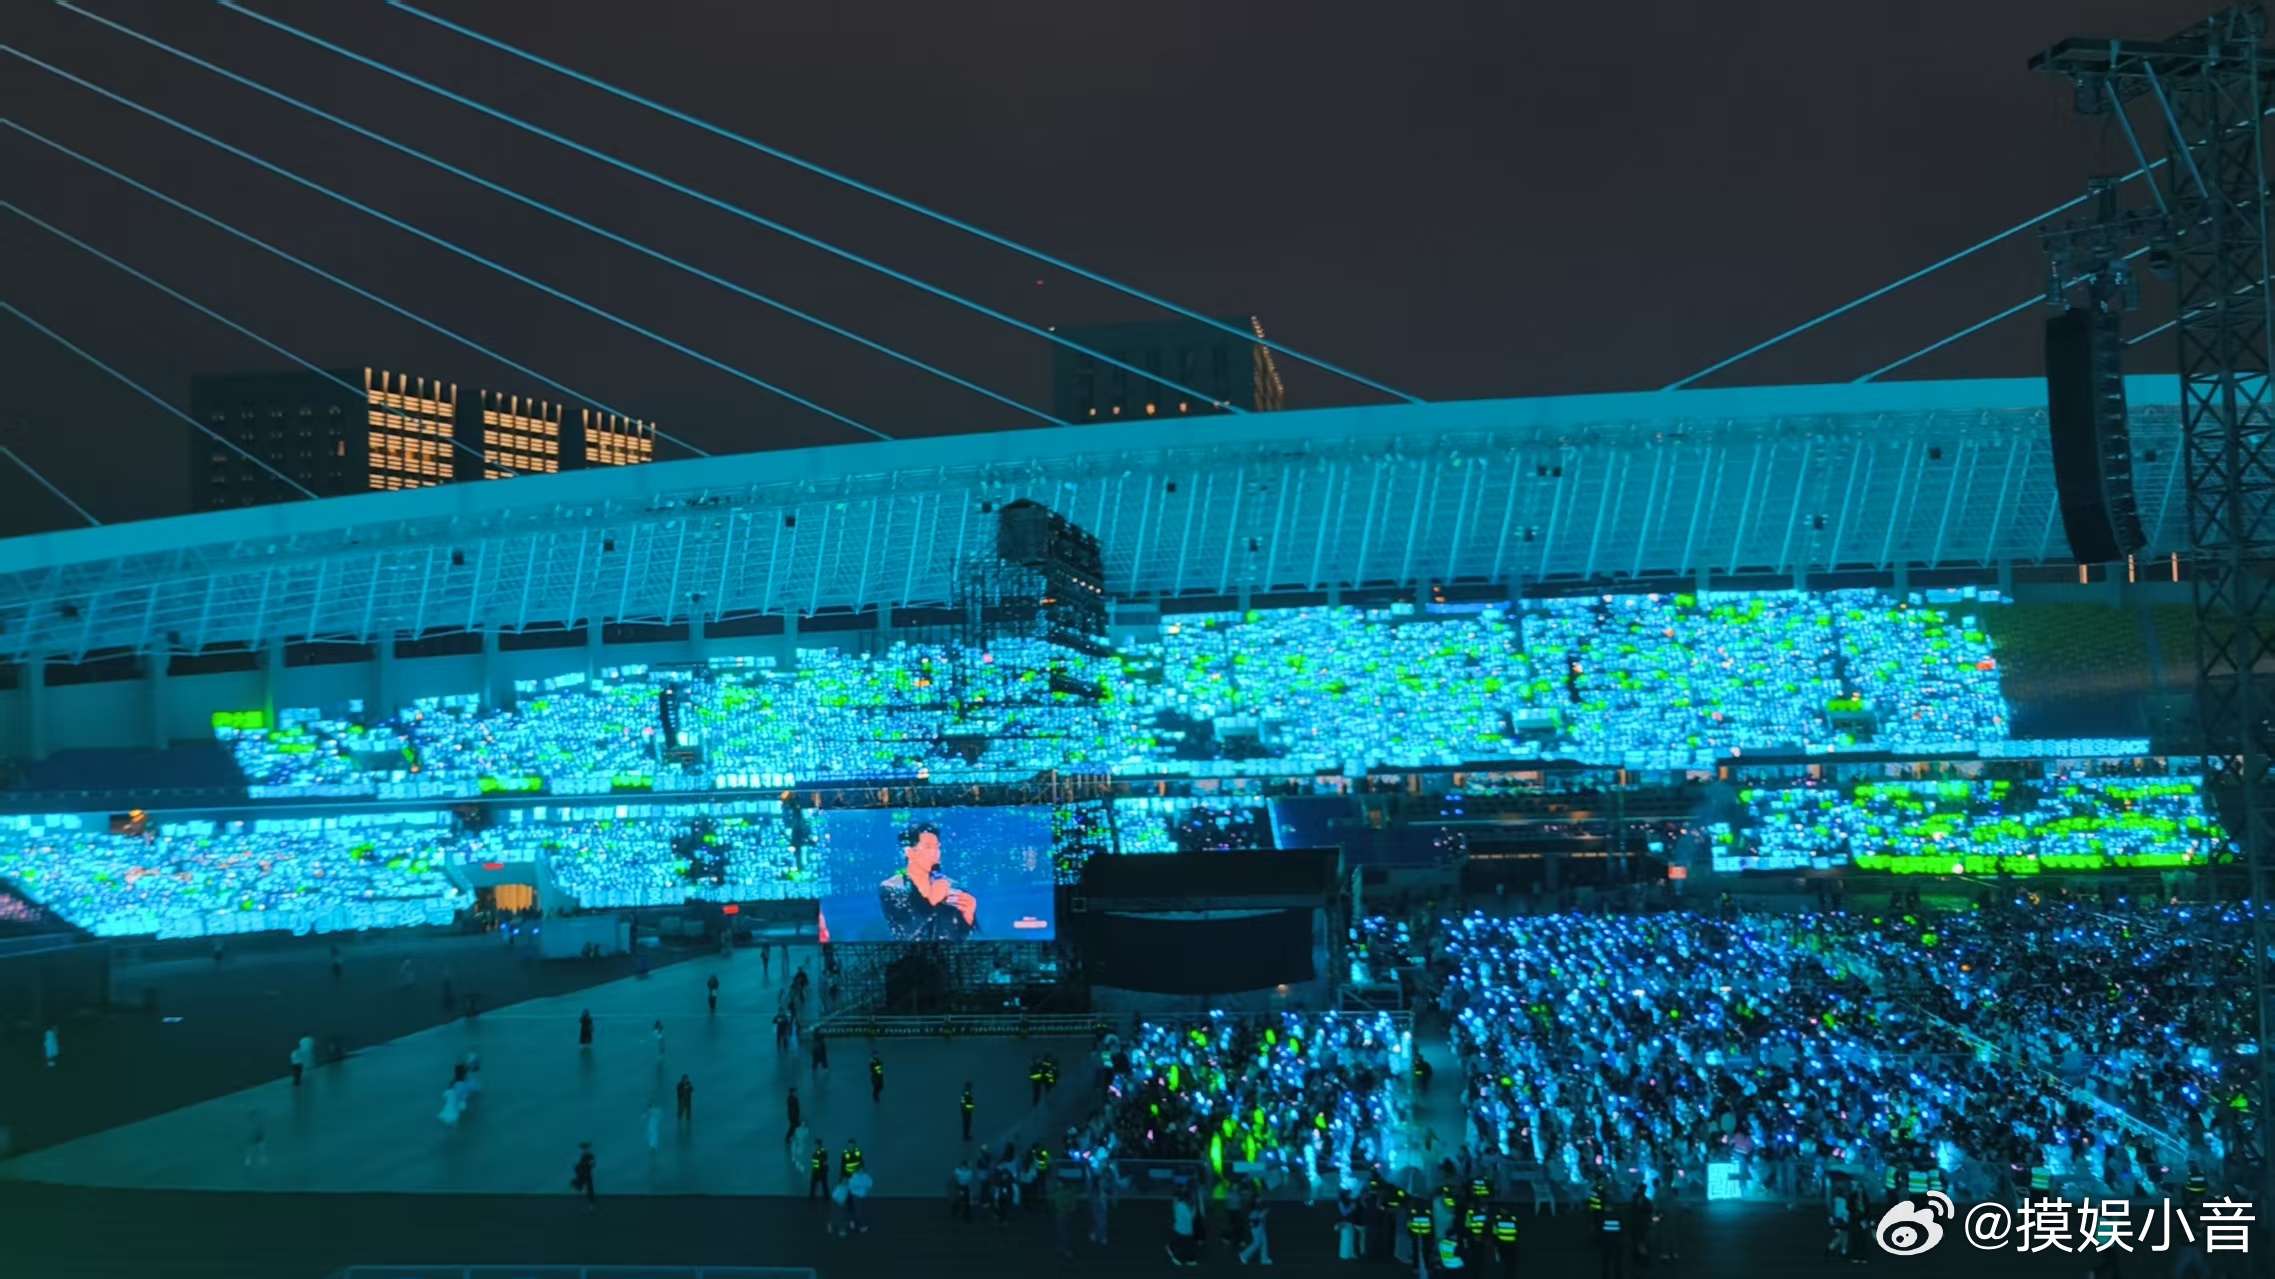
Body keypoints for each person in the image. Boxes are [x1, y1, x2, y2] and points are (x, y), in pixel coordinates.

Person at [878, 822, 979, 941]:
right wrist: (933, 902)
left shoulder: (953, 886)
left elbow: (962, 938)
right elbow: (905, 932)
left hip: (949, 957)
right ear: (909, 852)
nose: (935, 853)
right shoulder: (892, 887)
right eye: (928, 847)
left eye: (937, 847)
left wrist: (968, 919)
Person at [571, 1143, 597, 1208]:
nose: (584, 1150)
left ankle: (591, 1203)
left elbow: (592, 1164)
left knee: (590, 1188)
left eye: (586, 1148)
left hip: (587, 1174)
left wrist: (590, 1164)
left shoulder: (590, 1155)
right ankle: (584, 1191)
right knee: (576, 1183)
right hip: (582, 1174)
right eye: (583, 1148)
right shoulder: (583, 1156)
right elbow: (579, 1166)